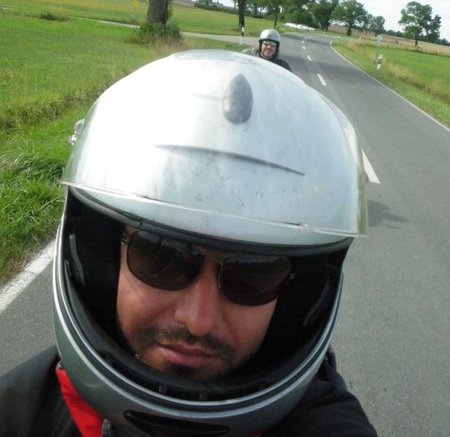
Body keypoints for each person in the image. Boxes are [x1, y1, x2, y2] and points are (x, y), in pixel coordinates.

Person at [0, 50, 378, 436]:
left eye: (252, 275)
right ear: (102, 255)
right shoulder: (20, 414)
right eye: (161, 256)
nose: (197, 321)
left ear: (295, 301)